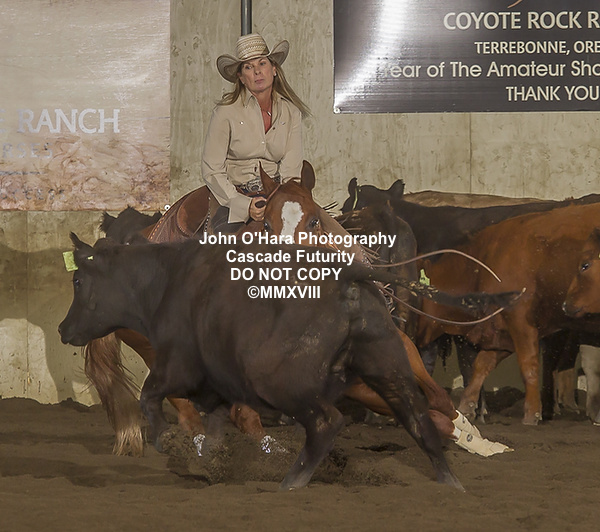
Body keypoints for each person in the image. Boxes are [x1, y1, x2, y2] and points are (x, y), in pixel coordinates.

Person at [201, 33, 311, 233]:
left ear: (274, 69)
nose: (257, 72)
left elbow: (291, 170)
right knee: (224, 243)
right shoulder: (225, 112)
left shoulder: (291, 112)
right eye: (248, 67)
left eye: (262, 63)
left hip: (276, 193)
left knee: (318, 231)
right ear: (241, 78)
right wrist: (242, 205)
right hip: (234, 192)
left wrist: (285, 200)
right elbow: (212, 169)